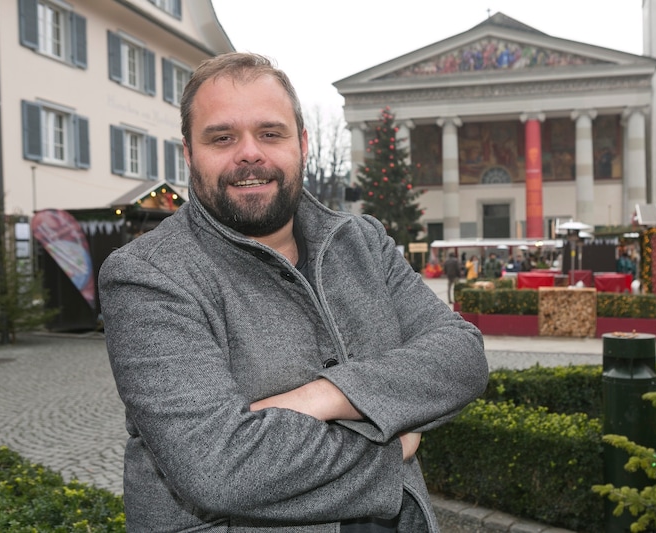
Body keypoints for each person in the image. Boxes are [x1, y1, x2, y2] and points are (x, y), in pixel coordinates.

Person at [98, 52, 488, 532]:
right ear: (188, 153)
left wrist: (320, 397)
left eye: (270, 133)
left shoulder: (363, 241)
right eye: (222, 137)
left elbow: (462, 357)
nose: (249, 153)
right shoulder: (147, 274)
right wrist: (393, 442)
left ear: (301, 143)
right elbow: (219, 470)